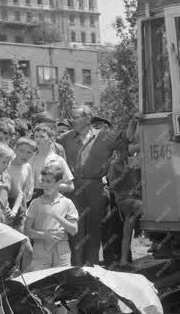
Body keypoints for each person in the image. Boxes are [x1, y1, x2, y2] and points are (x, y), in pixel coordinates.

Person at [59, 105, 137, 265]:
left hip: (96, 186)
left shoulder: (105, 136)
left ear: (88, 118)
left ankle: (91, 266)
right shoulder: (65, 138)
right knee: (75, 228)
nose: (72, 120)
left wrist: (134, 121)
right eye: (72, 117)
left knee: (94, 229)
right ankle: (76, 267)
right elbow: (48, 148)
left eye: (76, 117)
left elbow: (127, 138)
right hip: (73, 187)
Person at [25, 162, 78, 270]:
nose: (44, 185)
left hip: (62, 250)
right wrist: (44, 236)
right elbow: (27, 230)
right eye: (43, 181)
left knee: (62, 283)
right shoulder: (35, 203)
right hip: (41, 250)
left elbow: (74, 230)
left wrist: (57, 216)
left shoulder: (67, 203)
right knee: (40, 283)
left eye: (48, 181)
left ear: (59, 183)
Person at [108, 145, 142, 268]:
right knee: (142, 207)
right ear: (116, 151)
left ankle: (123, 260)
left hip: (137, 197)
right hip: (124, 199)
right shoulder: (114, 164)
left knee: (128, 228)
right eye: (120, 151)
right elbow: (112, 186)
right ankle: (143, 229)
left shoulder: (135, 160)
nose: (123, 153)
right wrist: (124, 173)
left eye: (125, 151)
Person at [31, 123, 74, 197]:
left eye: (42, 136)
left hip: (51, 199)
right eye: (36, 136)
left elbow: (70, 187)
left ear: (51, 139)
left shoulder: (58, 160)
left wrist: (50, 185)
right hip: (30, 200)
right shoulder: (29, 158)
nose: (38, 139)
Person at [8, 136, 35, 232]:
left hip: (20, 208)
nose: (25, 155)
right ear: (15, 150)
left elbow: (25, 190)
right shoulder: (7, 164)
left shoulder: (28, 167)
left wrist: (25, 211)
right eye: (21, 151)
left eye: (29, 152)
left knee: (19, 237)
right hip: (5, 204)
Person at [0, 142, 15, 224]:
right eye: (4, 162)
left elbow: (4, 197)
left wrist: (8, 208)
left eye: (8, 163)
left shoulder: (6, 176)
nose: (7, 165)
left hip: (5, 219)